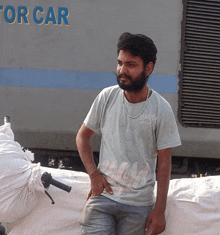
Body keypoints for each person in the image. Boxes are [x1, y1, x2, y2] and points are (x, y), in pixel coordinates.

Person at [76, 32, 181, 235]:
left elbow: (165, 163)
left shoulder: (161, 109)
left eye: (131, 65)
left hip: (138, 205)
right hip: (103, 198)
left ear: (148, 68)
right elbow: (82, 137)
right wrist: (94, 174)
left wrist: (159, 210)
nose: (122, 70)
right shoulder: (107, 97)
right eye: (120, 63)